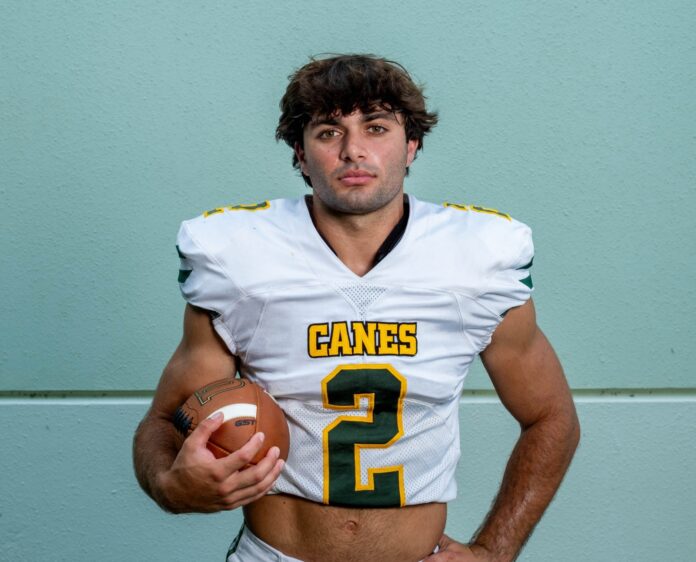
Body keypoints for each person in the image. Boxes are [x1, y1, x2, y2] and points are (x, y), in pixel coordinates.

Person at [133, 54, 580, 562]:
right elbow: (165, 419)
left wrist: (493, 552)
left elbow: (551, 416)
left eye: (376, 127)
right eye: (328, 132)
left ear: (411, 145)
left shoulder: (474, 261)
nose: (353, 150)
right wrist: (170, 484)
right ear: (300, 155)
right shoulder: (243, 260)